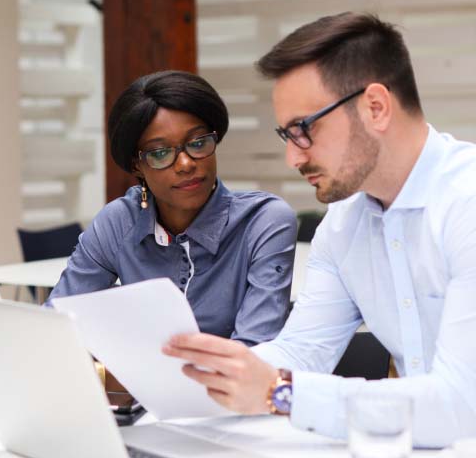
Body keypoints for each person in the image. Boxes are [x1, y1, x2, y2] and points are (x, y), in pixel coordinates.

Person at [163, 12, 476, 447]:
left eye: (303, 129)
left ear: (375, 107)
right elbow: (302, 351)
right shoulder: (344, 223)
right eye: (286, 135)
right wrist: (208, 373)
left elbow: (457, 408)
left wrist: (280, 392)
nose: (294, 157)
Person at [48, 71, 296, 345]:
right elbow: (55, 325)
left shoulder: (262, 222)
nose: (186, 164)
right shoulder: (119, 222)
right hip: (138, 374)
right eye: (160, 153)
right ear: (136, 166)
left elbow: (254, 348)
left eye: (198, 143)